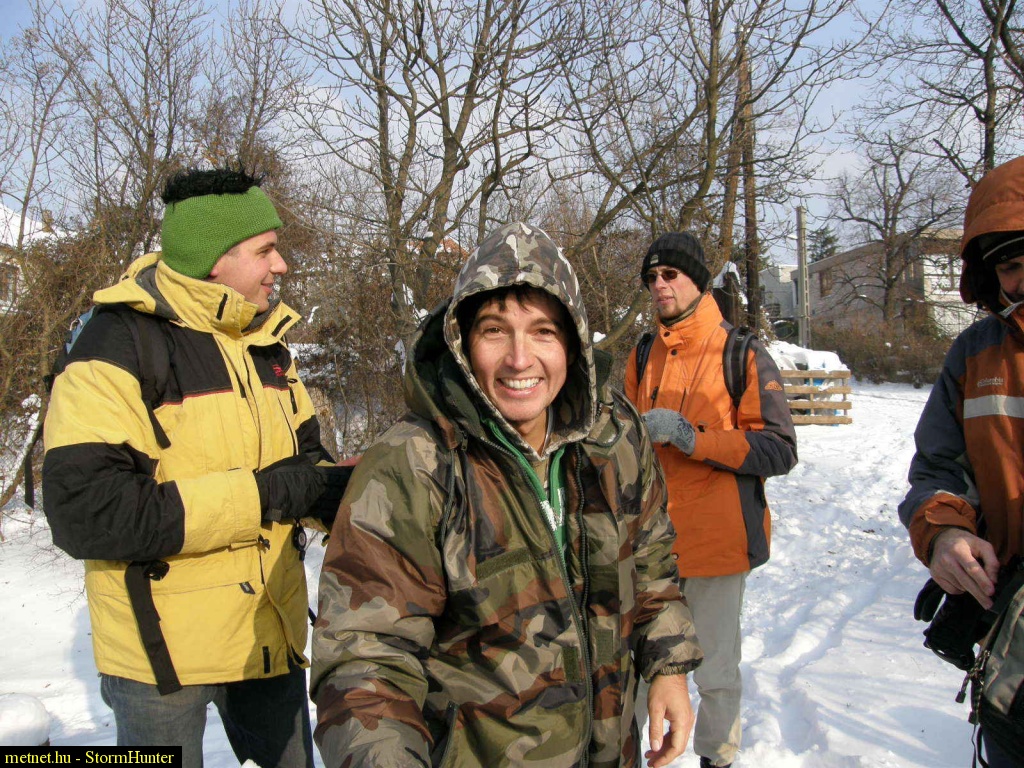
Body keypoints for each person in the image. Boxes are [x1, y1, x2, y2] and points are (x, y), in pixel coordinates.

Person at [311, 222, 703, 768]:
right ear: (462, 342)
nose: (520, 359)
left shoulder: (613, 434)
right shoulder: (414, 464)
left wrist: (668, 666)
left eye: (543, 332)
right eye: (495, 331)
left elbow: (651, 558)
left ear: (572, 342)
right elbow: (366, 658)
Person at [42, 167, 343, 768]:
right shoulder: (115, 345)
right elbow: (89, 513)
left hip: (268, 631)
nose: (281, 264)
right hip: (162, 661)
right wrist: (267, 495)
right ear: (213, 261)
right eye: (265, 250)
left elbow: (306, 462)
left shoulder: (266, 342)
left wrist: (348, 492)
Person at [624, 232, 798, 768]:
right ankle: (624, 755)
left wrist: (692, 439)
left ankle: (717, 758)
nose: (659, 285)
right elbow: (621, 439)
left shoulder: (742, 352)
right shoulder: (642, 352)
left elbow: (779, 448)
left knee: (717, 671)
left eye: (669, 274)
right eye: (651, 277)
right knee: (633, 670)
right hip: (647, 548)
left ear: (697, 281)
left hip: (718, 547)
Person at [898, 155, 1024, 768]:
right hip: (1013, 645)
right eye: (1010, 264)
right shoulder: (974, 354)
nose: (1023, 279)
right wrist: (945, 532)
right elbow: (939, 469)